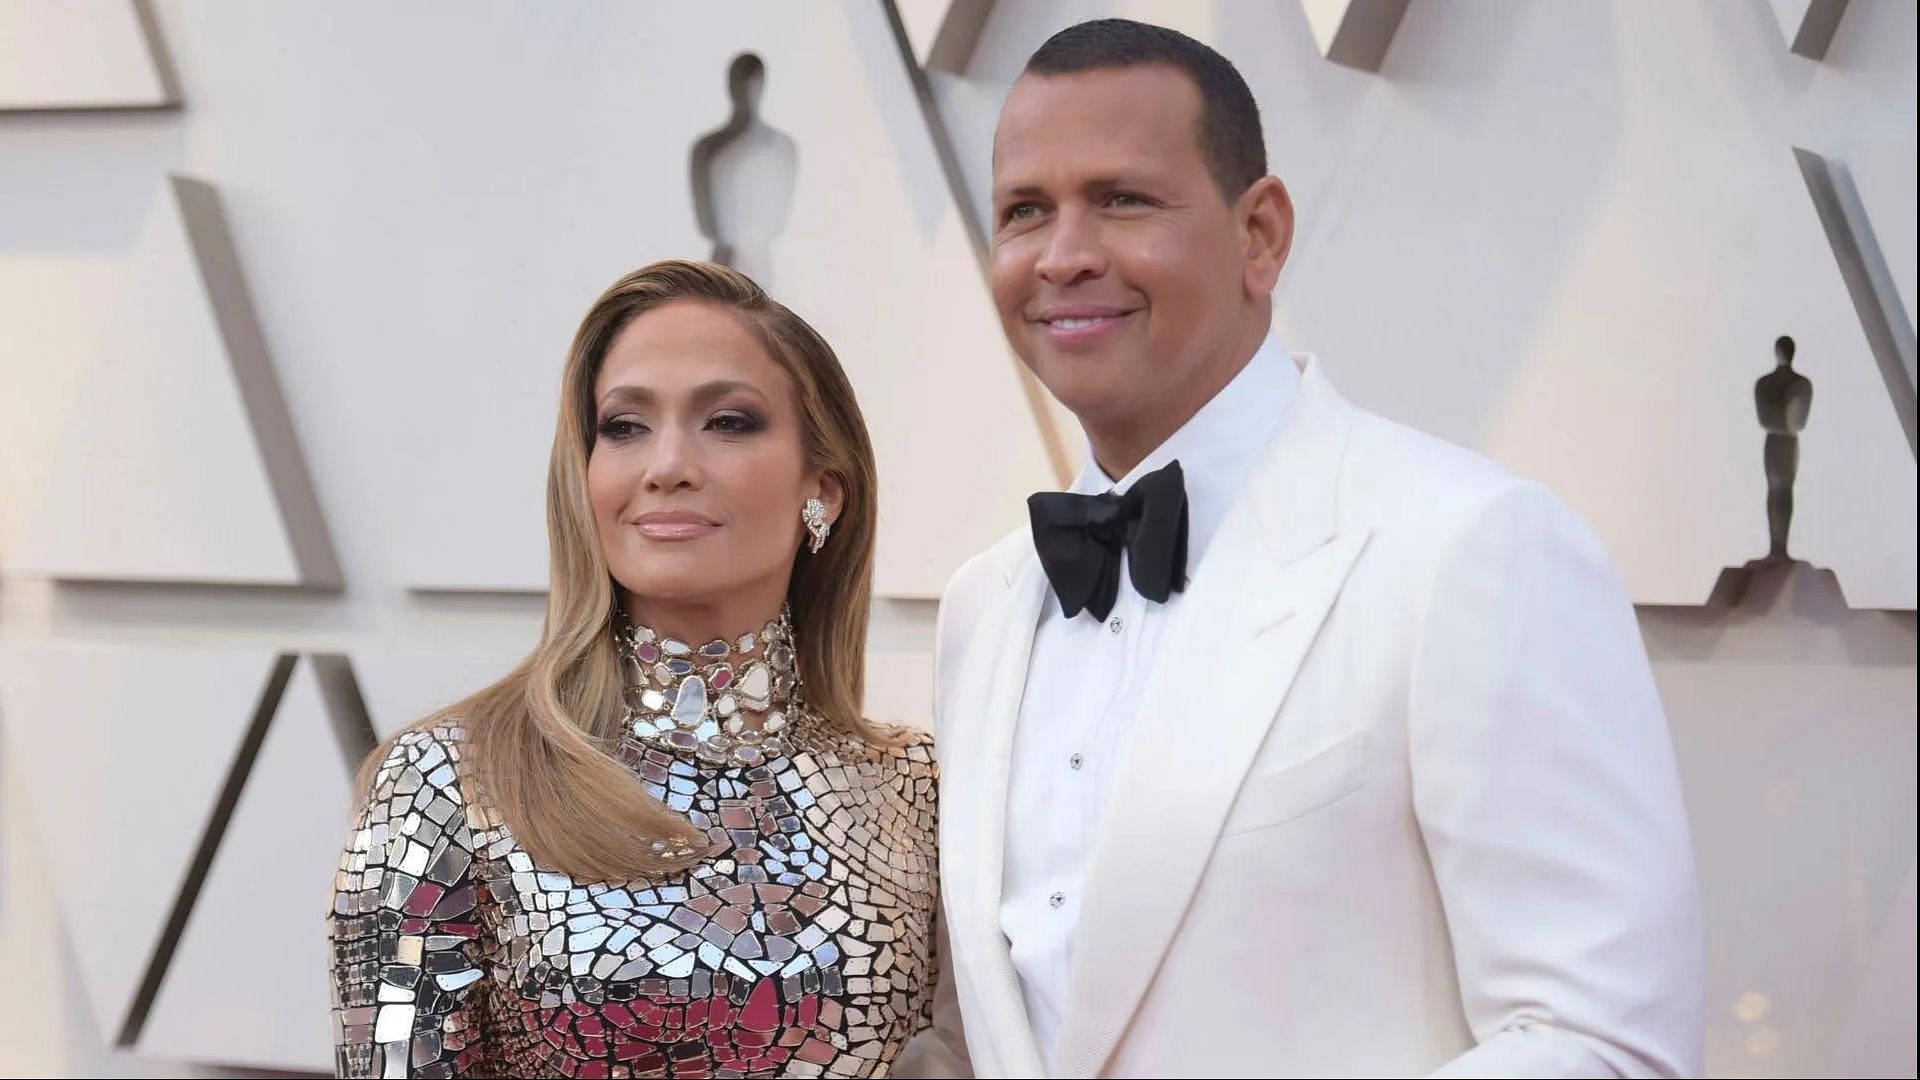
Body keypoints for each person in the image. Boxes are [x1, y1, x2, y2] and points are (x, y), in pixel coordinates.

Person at [923, 19, 1703, 1078]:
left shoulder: (1472, 547)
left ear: (1261, 236)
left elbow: (1605, 1044)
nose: (1063, 255)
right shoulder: (985, 602)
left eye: (1123, 199)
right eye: (1026, 211)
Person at [328, 260, 939, 1077]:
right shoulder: (448, 783)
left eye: (727, 421)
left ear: (822, 490)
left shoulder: (913, 790)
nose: (667, 466)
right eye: (623, 427)